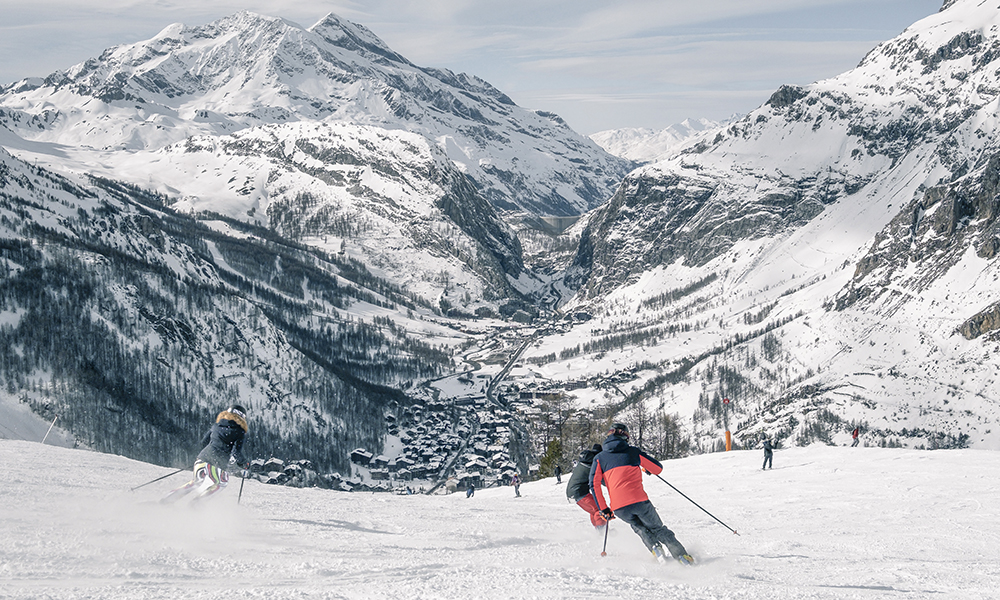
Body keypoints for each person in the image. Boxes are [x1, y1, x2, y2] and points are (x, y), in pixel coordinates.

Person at [590, 423, 694, 565]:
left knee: (639, 528)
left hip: (619, 507)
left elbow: (594, 484)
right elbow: (657, 469)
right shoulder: (633, 452)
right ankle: (682, 556)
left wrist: (604, 509)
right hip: (639, 501)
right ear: (625, 436)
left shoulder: (599, 458)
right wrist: (645, 467)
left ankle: (656, 549)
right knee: (657, 528)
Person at [163, 405, 249, 503]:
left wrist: (204, 457)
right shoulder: (239, 431)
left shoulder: (216, 426)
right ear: (241, 417)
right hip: (216, 463)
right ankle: (196, 504)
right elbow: (236, 452)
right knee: (222, 482)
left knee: (196, 482)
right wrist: (244, 464)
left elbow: (204, 442)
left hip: (202, 458)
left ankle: (167, 500)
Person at [566, 443, 608, 529]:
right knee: (599, 508)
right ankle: (601, 529)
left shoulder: (585, 461)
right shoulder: (593, 464)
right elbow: (601, 479)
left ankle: (598, 529)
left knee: (593, 510)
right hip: (579, 492)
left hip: (575, 491)